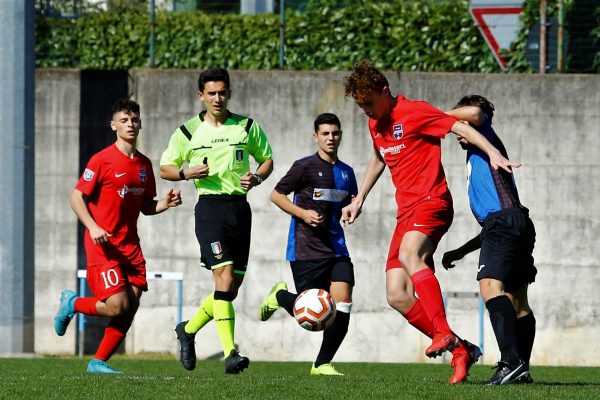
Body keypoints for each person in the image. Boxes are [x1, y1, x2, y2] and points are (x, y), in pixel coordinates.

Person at [341, 60, 521, 384]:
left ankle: (442, 334)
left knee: (413, 256)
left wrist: (493, 153)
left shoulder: (414, 111)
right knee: (396, 294)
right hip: (405, 213)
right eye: (360, 105)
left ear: (385, 92)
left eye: (368, 102)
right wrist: (359, 198)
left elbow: (461, 128)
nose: (365, 110)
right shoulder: (375, 125)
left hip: (432, 202)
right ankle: (460, 349)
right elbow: (379, 156)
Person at [54, 99, 182, 374]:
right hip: (104, 246)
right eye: (124, 120)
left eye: (134, 120)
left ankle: (98, 362)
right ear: (114, 126)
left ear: (140, 124)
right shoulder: (101, 160)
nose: (130, 124)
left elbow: (147, 207)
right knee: (117, 305)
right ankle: (72, 303)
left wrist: (165, 204)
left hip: (131, 247)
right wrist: (92, 226)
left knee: (130, 308)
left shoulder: (145, 165)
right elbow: (76, 196)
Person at [160, 67, 273, 374]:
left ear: (229, 93)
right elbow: (165, 167)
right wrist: (186, 173)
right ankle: (230, 353)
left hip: (240, 209)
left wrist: (258, 177)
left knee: (230, 288)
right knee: (222, 279)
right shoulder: (187, 132)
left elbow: (267, 160)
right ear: (201, 96)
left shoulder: (246, 127)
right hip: (209, 210)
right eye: (211, 93)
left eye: (222, 92)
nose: (217, 98)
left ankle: (188, 329)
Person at [442, 95, 536, 385]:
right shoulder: (478, 153)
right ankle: (521, 369)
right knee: (518, 300)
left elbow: (475, 112)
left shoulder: (484, 133)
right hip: (516, 222)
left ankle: (510, 363)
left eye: (461, 126)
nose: (458, 131)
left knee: (490, 287)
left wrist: (434, 116)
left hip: (505, 223)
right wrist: (460, 250)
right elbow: (494, 224)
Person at [259, 113, 358, 376]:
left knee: (343, 304)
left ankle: (322, 363)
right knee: (310, 311)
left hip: (337, 248)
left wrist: (352, 210)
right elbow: (276, 195)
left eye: (335, 133)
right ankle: (280, 297)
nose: (330, 138)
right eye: (325, 133)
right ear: (316, 136)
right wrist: (302, 213)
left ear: (340, 135)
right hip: (306, 248)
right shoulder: (303, 166)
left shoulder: (347, 172)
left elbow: (352, 202)